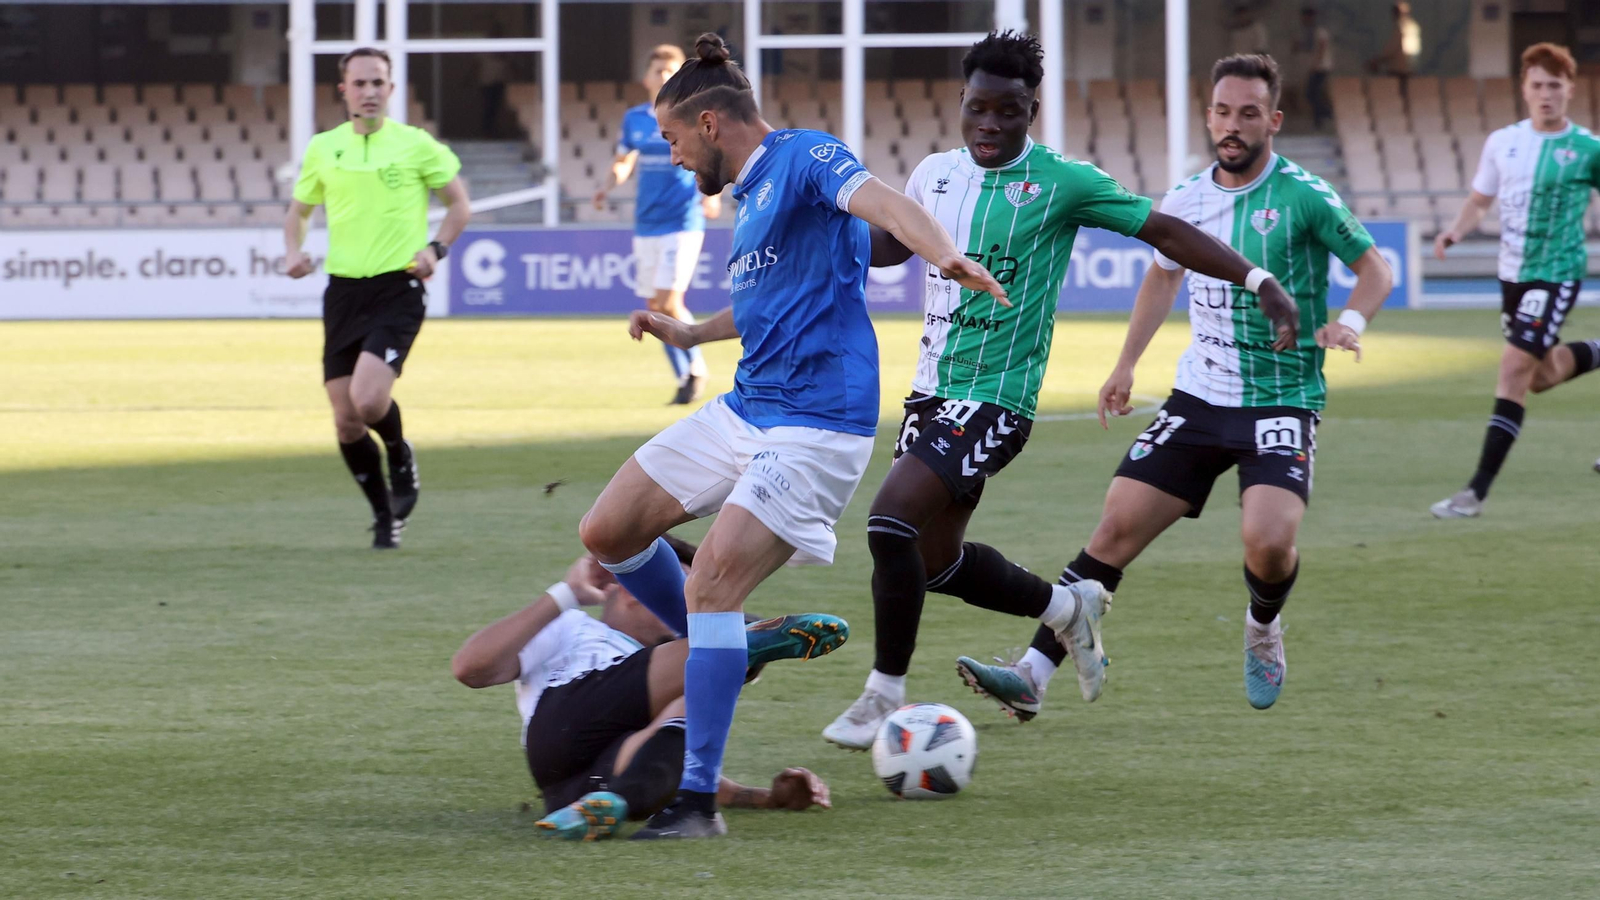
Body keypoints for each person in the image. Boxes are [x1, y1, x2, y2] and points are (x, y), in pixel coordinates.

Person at [577, 33, 1006, 840]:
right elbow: (765, 302)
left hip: (818, 425)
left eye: (672, 138)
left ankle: (696, 801)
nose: (671, 156)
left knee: (711, 583)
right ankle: (722, 649)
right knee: (608, 530)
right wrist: (691, 332)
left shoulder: (806, 157)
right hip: (748, 408)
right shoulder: (748, 196)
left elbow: (888, 205)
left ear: (710, 123)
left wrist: (945, 256)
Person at [821, 32, 1301, 749]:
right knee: (932, 562)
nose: (989, 123)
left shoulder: (1062, 182)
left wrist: (1257, 279)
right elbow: (893, 246)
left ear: (1031, 112)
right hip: (929, 395)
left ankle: (880, 697)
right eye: (977, 107)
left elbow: (1165, 232)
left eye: (1007, 111)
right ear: (961, 102)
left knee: (889, 524)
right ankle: (1066, 607)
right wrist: (825, 235)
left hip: (997, 397)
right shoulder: (934, 175)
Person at [957, 53, 1393, 718]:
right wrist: (1126, 364)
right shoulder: (1187, 198)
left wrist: (1351, 323)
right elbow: (1162, 278)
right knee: (1115, 528)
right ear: (1209, 116)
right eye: (1223, 112)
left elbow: (1375, 268)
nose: (1233, 125)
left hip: (1280, 399)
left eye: (1249, 113)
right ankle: (1031, 676)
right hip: (1199, 398)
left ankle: (1263, 625)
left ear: (1273, 120)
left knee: (1269, 543)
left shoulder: (1304, 195)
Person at [450, 540, 841, 841]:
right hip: (561, 723)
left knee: (691, 708)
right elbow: (470, 668)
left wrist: (766, 798)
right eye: (680, 593)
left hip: (575, 791)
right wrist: (565, 594)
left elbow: (677, 761)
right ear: (634, 590)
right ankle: (738, 643)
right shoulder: (574, 627)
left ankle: (614, 803)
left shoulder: (673, 678)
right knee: (710, 663)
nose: (692, 609)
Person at [285, 47, 470, 549]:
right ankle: (385, 516)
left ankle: (399, 452)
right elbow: (298, 211)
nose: (369, 91)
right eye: (360, 83)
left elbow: (459, 204)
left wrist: (436, 248)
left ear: (391, 89)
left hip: (398, 287)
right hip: (343, 292)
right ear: (343, 90)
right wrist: (293, 252)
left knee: (368, 401)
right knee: (346, 421)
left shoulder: (416, 144)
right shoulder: (324, 148)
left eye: (378, 83)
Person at [1430, 43, 1600, 518]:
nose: (1546, 94)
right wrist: (1455, 231)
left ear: (1570, 90)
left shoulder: (1588, 149)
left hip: (1556, 274)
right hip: (1513, 277)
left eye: (1554, 85)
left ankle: (1474, 493)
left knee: (1512, 371)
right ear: (1524, 90)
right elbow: (1480, 200)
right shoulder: (1502, 142)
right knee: (1541, 376)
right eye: (1537, 85)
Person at [594, 44, 722, 405]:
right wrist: (607, 185)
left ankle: (696, 367)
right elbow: (623, 160)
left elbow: (711, 156)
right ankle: (684, 375)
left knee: (668, 301)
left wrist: (712, 194)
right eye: (658, 70)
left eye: (671, 71)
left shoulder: (693, 115)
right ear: (646, 77)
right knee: (654, 306)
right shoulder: (634, 118)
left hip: (682, 220)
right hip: (646, 222)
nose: (664, 76)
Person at [1298, 7, 1333, 130]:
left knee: (1313, 93)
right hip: (1316, 66)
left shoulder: (1320, 31)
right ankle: (1323, 114)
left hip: (1321, 67)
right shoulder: (1310, 32)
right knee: (1312, 93)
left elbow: (1322, 47)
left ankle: (1324, 114)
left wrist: (1316, 64)